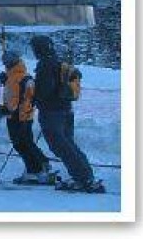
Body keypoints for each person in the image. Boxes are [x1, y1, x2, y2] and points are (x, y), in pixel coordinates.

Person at [31, 35, 104, 193]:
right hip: (65, 109)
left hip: (51, 112)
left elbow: (45, 91)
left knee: (60, 146)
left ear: (38, 49)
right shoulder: (59, 61)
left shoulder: (45, 65)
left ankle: (82, 178)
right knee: (68, 144)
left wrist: (33, 95)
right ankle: (85, 175)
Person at [0, 50, 53, 184]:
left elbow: (21, 99)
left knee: (23, 143)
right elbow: (14, 96)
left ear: (12, 62)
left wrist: (8, 109)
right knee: (22, 143)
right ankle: (34, 168)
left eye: (6, 61)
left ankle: (40, 166)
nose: (4, 64)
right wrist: (5, 81)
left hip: (20, 117)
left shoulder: (20, 77)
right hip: (18, 115)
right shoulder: (14, 76)